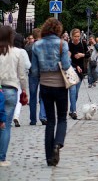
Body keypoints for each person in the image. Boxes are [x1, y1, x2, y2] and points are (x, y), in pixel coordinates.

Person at [31, 18, 70, 166]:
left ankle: (49, 157)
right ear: (58, 30)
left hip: (45, 86)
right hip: (60, 85)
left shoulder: (37, 45)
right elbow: (66, 66)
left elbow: (34, 71)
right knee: (62, 117)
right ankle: (58, 143)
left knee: (50, 121)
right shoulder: (62, 44)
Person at [0, 26, 28, 167]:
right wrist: (24, 90)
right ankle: (2, 158)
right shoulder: (18, 53)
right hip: (11, 89)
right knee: (6, 126)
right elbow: (22, 75)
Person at [26, 28, 46, 125]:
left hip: (32, 74)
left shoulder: (28, 47)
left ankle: (33, 119)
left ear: (33, 36)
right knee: (43, 95)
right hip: (43, 73)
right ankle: (43, 116)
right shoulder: (44, 46)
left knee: (32, 96)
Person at [67, 29, 88, 119]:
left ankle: (71, 110)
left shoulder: (83, 44)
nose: (76, 38)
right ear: (72, 36)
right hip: (71, 70)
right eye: (75, 36)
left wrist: (81, 55)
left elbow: (88, 54)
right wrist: (75, 66)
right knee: (72, 91)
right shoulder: (69, 45)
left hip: (80, 71)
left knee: (76, 93)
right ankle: (74, 111)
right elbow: (67, 59)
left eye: (78, 36)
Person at [11, 33, 30, 128]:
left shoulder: (8, 50)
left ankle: (9, 116)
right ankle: (16, 116)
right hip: (19, 77)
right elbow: (28, 65)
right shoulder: (22, 51)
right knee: (19, 98)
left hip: (10, 77)